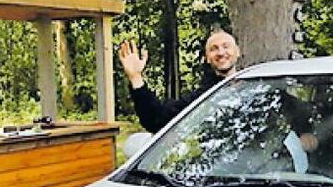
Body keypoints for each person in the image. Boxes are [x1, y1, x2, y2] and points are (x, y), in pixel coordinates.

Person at [118, 29, 319, 149]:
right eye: (214, 49)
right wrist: (136, 78)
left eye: (226, 46)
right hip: (218, 177)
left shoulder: (261, 89)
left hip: (269, 171)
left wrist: (306, 132)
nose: (221, 52)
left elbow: (297, 110)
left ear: (237, 52)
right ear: (207, 57)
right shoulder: (202, 98)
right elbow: (156, 120)